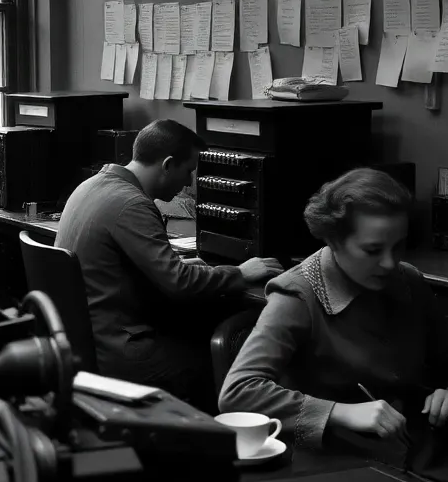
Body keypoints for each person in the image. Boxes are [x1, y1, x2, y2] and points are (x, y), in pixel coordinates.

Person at [219, 167, 448, 482]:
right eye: (373, 250)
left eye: (399, 246)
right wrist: (340, 412)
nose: (390, 262)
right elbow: (237, 392)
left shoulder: (408, 281)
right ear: (334, 241)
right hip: (340, 467)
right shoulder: (298, 295)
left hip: (424, 463)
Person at [55, 119, 282, 407]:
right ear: (167, 164)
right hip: (123, 351)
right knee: (234, 360)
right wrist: (240, 273)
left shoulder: (91, 186)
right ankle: (223, 443)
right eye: (188, 171)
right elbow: (179, 283)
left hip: (88, 342)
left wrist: (190, 269)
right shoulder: (132, 204)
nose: (189, 182)